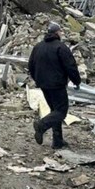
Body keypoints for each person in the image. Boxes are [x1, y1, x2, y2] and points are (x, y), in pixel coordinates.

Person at [28, 21, 81, 149]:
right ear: (57, 33)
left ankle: (57, 141)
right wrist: (76, 81)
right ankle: (42, 125)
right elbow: (70, 66)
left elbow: (31, 66)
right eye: (60, 32)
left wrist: (38, 79)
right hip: (57, 85)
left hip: (44, 85)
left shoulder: (38, 47)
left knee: (55, 111)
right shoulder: (61, 47)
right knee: (61, 112)